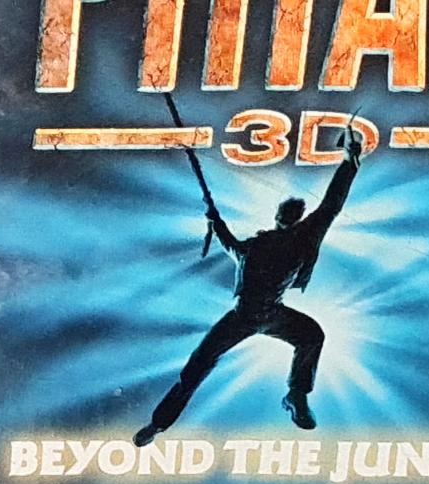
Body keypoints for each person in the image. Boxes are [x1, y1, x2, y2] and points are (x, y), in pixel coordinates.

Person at [135, 133, 362, 442]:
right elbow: (231, 241)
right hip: (252, 316)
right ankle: (159, 424)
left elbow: (330, 204)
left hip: (264, 314)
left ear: (288, 218)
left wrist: (350, 162)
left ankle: (296, 394)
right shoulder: (268, 244)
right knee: (200, 363)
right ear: (284, 217)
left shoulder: (291, 239)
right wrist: (216, 221)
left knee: (310, 336)